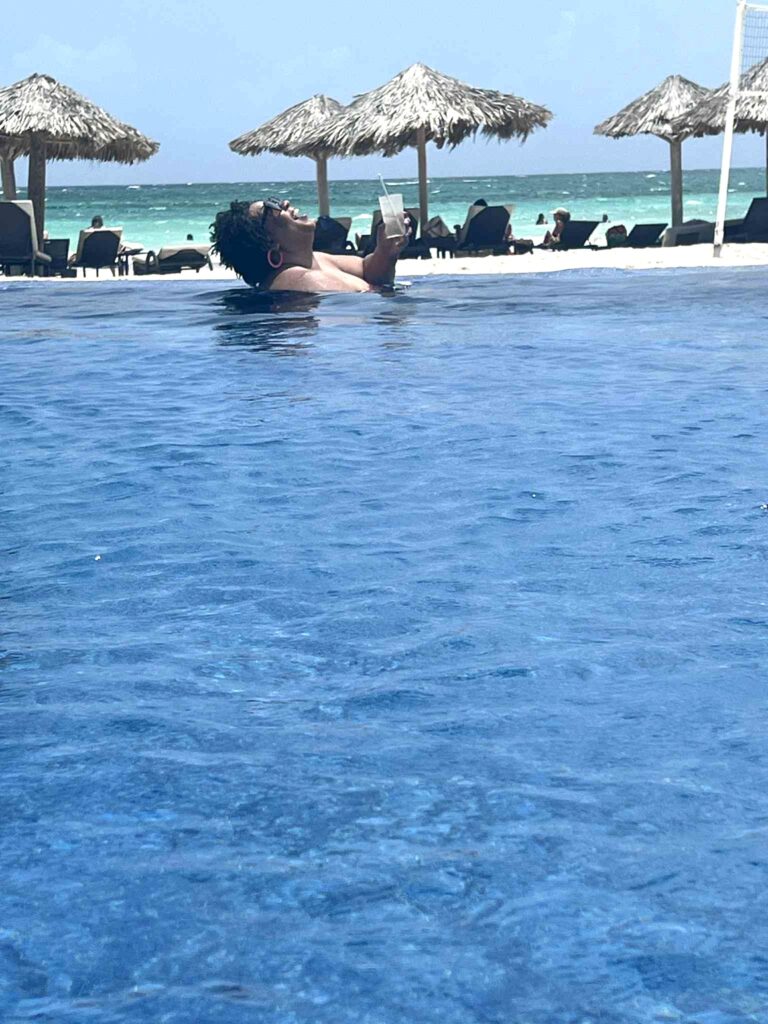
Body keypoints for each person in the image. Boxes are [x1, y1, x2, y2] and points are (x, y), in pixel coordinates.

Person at [211, 197, 411, 293]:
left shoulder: (318, 260)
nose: (285, 203)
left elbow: (369, 270)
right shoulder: (301, 280)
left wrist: (386, 251)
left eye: (275, 201)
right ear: (269, 243)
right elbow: (370, 303)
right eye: (271, 209)